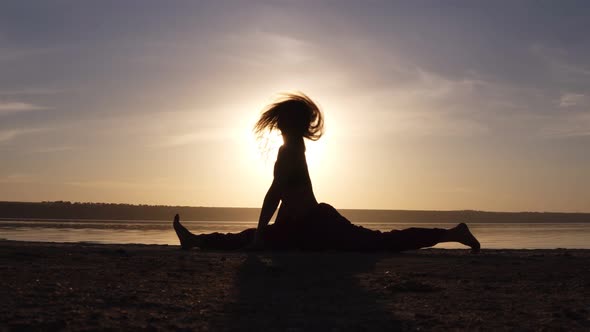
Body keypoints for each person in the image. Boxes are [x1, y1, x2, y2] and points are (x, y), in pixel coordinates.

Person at [173, 93, 480, 252]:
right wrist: (265, 231)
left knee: (379, 243)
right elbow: (284, 197)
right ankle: (196, 241)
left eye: (281, 120)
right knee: (251, 237)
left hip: (319, 223)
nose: (276, 123)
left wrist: (263, 231)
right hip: (302, 225)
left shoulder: (290, 150)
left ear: (287, 123)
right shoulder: (291, 148)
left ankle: (452, 233)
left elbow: (275, 193)